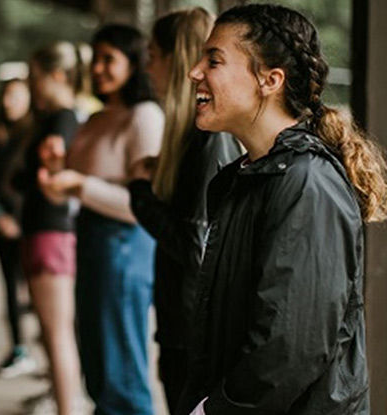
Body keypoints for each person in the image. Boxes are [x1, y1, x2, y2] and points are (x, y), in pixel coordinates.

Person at [181, 4, 387, 414]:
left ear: (270, 79)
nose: (195, 73)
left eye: (214, 60)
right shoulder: (244, 178)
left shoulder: (307, 183)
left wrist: (214, 410)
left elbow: (292, 347)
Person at [39, 25, 163, 415]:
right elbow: (63, 192)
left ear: (135, 62)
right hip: (90, 242)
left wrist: (80, 185)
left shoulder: (144, 117)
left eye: (109, 59)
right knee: (96, 362)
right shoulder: (95, 118)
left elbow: (141, 205)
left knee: (121, 367)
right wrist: (55, 171)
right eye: (95, 59)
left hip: (126, 247)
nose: (98, 68)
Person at [125, 9, 241, 413]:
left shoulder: (207, 142)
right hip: (180, 321)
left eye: (152, 54)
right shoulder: (188, 138)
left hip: (193, 329)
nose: (146, 66)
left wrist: (140, 193)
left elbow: (195, 244)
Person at [21, 42, 83, 415]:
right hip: (43, 230)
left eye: (36, 77)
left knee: (57, 333)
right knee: (51, 331)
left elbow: (58, 178)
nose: (32, 85)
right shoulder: (55, 118)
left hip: (51, 231)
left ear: (57, 76)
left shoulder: (63, 120)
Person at [0, 78, 36, 378]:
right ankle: (19, 349)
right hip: (4, 228)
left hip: (35, 228)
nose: (9, 102)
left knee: (40, 296)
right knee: (11, 291)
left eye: (16, 96)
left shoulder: (36, 135)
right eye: (6, 96)